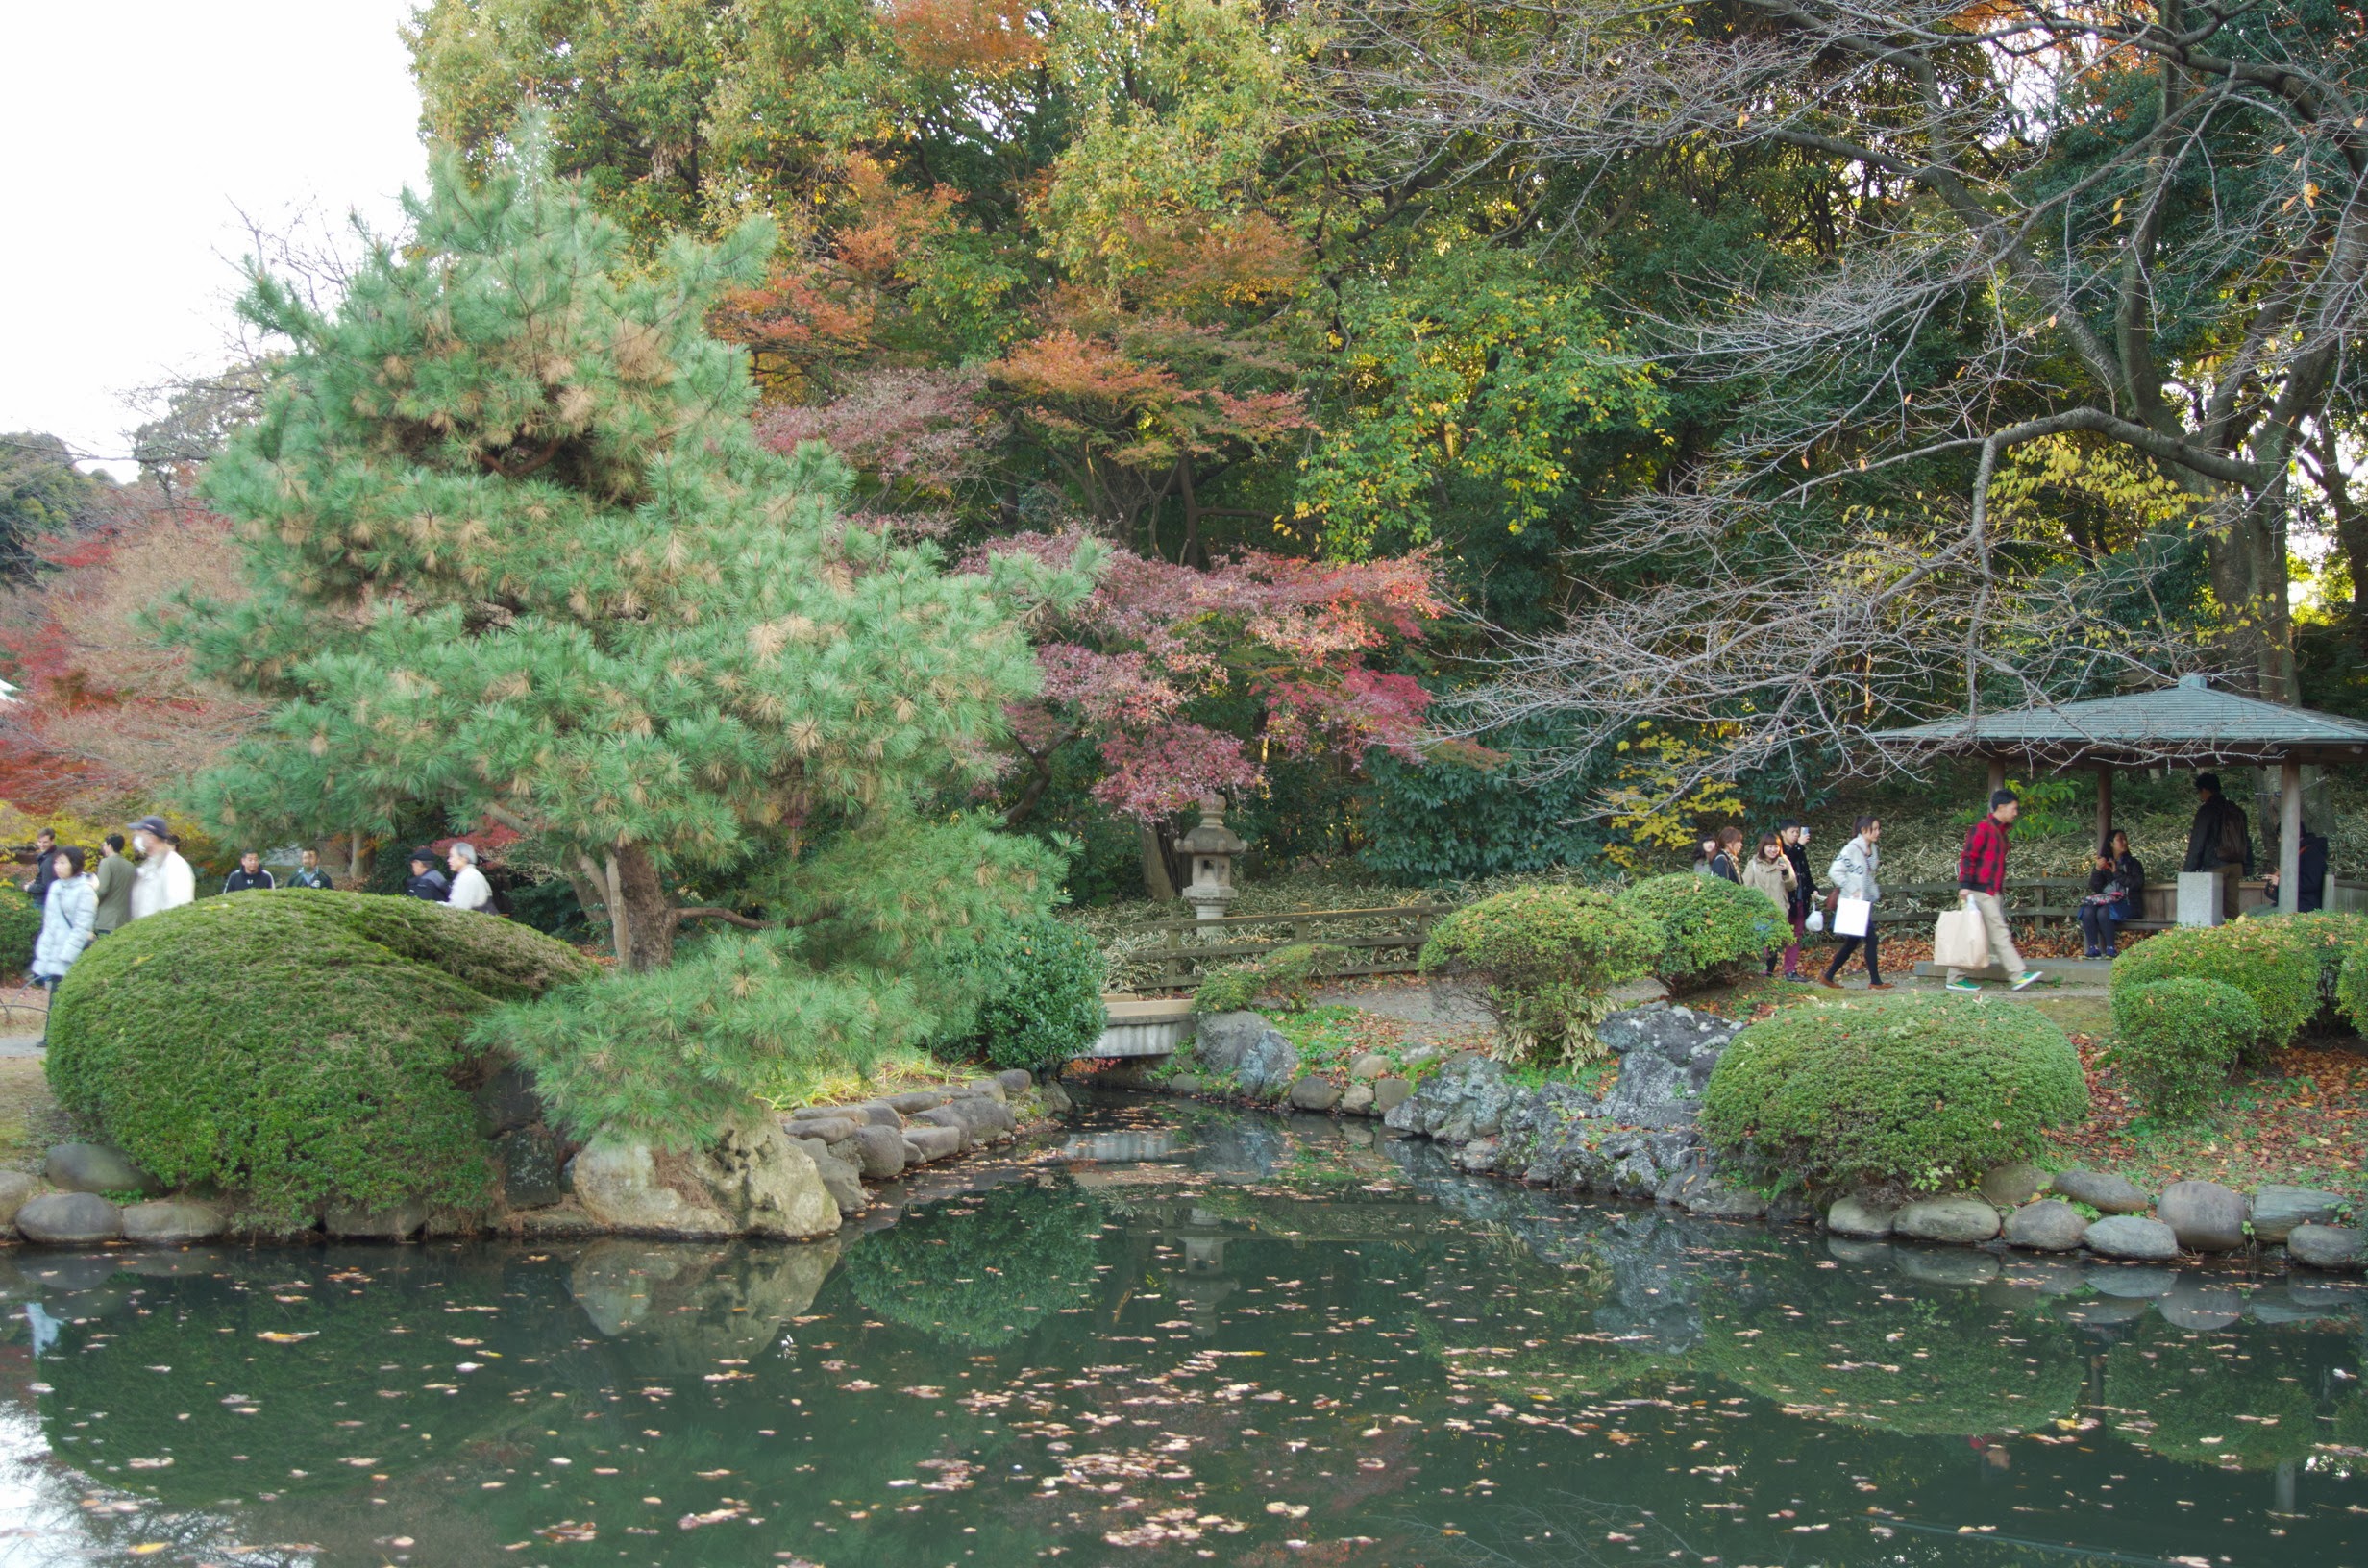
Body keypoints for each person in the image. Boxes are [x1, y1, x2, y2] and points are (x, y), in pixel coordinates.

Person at [1950, 789, 2042, 992]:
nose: (2016, 812)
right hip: (1979, 891)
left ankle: (1955, 978)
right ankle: (2017, 974)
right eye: (2014, 808)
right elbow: (1968, 856)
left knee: (1972, 935)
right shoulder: (1983, 828)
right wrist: (1964, 886)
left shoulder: (2000, 832)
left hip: (1991, 891)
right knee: (1998, 932)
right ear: (2001, 807)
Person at [1822, 816, 1890, 991]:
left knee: (1853, 942)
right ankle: (1875, 982)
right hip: (1852, 902)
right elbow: (1835, 871)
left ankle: (1828, 976)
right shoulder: (1852, 849)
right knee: (1872, 939)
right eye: (1874, 829)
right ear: (1863, 830)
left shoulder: (1872, 849)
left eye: (1878, 828)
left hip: (1864, 903)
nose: (1878, 832)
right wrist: (1853, 888)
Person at [31, 847, 97, 1014]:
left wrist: (67, 954)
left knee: (68, 1000)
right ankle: (49, 1037)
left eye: (62, 862)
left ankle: (57, 1036)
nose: (57, 866)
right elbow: (49, 924)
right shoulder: (55, 887)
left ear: (74, 864)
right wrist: (44, 952)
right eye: (56, 862)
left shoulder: (84, 890)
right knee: (55, 997)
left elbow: (82, 926)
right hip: (53, 952)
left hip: (71, 954)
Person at [2182, 772, 2253, 921]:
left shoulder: (2207, 810)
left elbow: (2197, 842)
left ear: (2205, 790)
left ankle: (2213, 942)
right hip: (2236, 865)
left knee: (2210, 910)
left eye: (2199, 792)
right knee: (2232, 909)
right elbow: (2246, 839)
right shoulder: (2236, 810)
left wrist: (2188, 870)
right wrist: (2248, 866)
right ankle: (2235, 939)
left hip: (2215, 865)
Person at [2078, 829, 2146, 958]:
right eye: (2120, 839)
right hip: (2106, 902)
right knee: (2088, 910)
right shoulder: (2104, 862)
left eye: (2125, 839)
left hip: (2128, 904)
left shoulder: (2134, 864)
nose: (2124, 842)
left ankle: (2110, 948)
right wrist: (2098, 869)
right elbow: (2095, 887)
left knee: (2104, 911)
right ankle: (2093, 948)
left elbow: (2137, 884)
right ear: (2111, 843)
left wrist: (2116, 873)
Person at [1741, 833, 1799, 977]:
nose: (1773, 850)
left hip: (1778, 910)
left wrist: (1785, 872)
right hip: (1759, 912)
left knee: (1773, 946)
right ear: (1763, 847)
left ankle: (1768, 975)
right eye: (1770, 846)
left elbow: (1793, 886)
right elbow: (1745, 887)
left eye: (1776, 847)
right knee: (1760, 945)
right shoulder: (1753, 863)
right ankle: (1758, 976)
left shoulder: (1784, 862)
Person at [127, 816, 196, 921]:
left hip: (158, 933)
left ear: (151, 837)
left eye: (139, 832)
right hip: (145, 933)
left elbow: (178, 908)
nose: (135, 836)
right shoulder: (150, 865)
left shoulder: (174, 865)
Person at [2258, 822, 2329, 914]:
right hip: (2291, 902)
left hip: (2304, 905)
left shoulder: (2312, 854)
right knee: (2251, 912)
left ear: (2291, 834)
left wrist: (2280, 882)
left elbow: (2310, 883)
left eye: (2280, 836)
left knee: (2262, 915)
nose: (2279, 840)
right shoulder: (2296, 852)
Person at [1779, 821, 1816, 980]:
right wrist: (1799, 846)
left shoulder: (1800, 850)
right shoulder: (1780, 851)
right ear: (1783, 833)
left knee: (1795, 936)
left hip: (1800, 899)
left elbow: (1805, 873)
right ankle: (1766, 970)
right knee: (1776, 935)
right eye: (1793, 832)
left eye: (1797, 832)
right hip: (1785, 900)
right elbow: (1788, 863)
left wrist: (1813, 888)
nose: (1796, 835)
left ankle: (1790, 970)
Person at [90, 833, 134, 940]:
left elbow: (103, 889)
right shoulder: (130, 865)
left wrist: (91, 901)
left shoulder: (106, 863)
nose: (103, 848)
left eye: (104, 845)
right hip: (125, 919)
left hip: (107, 919)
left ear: (109, 846)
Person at [446, 842, 494, 913]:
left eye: (452, 856)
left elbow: (458, 909)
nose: (449, 860)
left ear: (464, 858)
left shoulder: (468, 877)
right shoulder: (471, 874)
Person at [18, 827, 58, 902]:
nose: (42, 845)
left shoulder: (49, 860)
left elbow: (47, 886)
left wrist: (28, 888)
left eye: (45, 842)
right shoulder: (47, 855)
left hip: (45, 900)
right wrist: (34, 881)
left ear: (52, 841)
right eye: (40, 842)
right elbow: (45, 876)